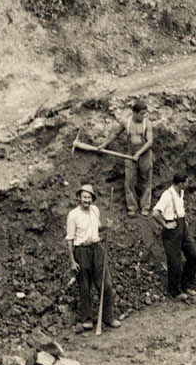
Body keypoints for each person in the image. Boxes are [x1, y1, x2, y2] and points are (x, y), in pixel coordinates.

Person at [65, 184, 120, 327]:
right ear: (79, 198)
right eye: (84, 197)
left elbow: (98, 228)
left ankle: (108, 317)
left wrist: (107, 226)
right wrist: (72, 261)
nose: (87, 200)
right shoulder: (73, 215)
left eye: (89, 198)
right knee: (84, 286)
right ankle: (87, 319)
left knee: (106, 285)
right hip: (81, 251)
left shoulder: (95, 211)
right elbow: (70, 240)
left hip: (97, 249)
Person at [151, 169, 196, 297]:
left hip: (182, 227)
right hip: (171, 231)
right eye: (186, 182)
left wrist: (183, 220)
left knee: (192, 256)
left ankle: (186, 285)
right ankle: (174, 291)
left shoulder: (182, 193)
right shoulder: (167, 195)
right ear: (180, 183)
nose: (188, 184)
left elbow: (179, 209)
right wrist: (165, 224)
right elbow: (155, 213)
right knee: (175, 262)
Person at [114, 100, 157, 216]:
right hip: (130, 154)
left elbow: (150, 142)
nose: (144, 116)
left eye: (145, 113)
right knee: (129, 181)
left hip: (145, 155)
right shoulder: (126, 123)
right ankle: (132, 207)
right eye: (141, 113)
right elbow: (115, 134)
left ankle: (145, 207)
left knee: (146, 181)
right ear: (135, 112)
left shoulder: (147, 124)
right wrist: (103, 145)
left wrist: (138, 153)